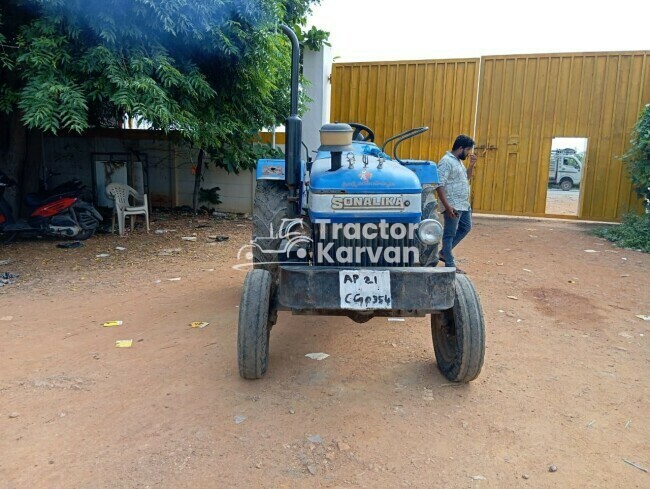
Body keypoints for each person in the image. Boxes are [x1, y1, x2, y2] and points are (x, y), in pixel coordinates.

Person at [435, 135, 477, 274]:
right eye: (467, 150)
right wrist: (447, 206)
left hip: (463, 204)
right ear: (460, 148)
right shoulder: (446, 162)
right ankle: (450, 264)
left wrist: (471, 165)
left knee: (466, 227)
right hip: (453, 205)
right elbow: (439, 184)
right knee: (449, 234)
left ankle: (444, 253)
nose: (468, 153)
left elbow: (466, 177)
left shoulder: (458, 161)